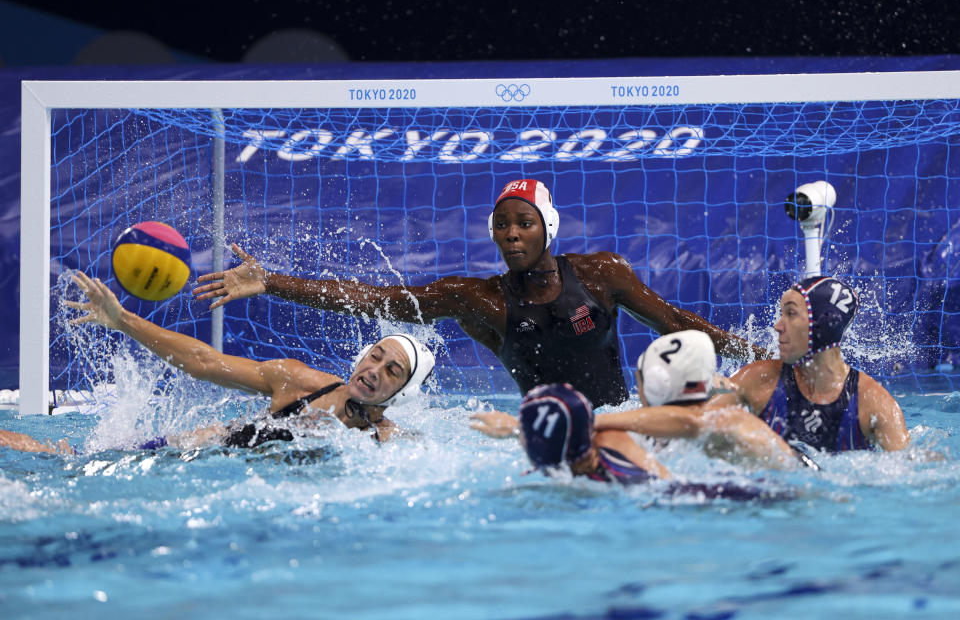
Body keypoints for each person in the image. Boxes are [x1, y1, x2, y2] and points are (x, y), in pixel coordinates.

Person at [194, 178, 766, 408]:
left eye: (524, 223)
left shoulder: (601, 275)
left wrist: (759, 357)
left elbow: (677, 324)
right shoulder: (476, 298)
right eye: (502, 224)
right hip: (543, 429)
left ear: (548, 227)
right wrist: (272, 282)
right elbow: (376, 300)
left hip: (623, 419)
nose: (512, 234)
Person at [0, 272, 435, 455]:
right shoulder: (300, 383)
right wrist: (123, 320)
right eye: (375, 356)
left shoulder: (387, 441)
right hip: (198, 454)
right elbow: (203, 362)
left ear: (400, 393)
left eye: (392, 371)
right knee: (65, 459)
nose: (375, 368)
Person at [470, 383, 789, 501]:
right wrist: (517, 429)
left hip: (715, 499)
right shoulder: (611, 438)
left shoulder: (625, 489)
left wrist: (520, 431)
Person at [709, 276, 909, 452]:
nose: (777, 326)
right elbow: (695, 427)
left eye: (791, 314)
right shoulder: (756, 379)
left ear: (824, 324)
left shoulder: (875, 405)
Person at [593, 330, 819, 471]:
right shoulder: (665, 431)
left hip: (806, 492)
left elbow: (692, 422)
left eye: (640, 379)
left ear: (655, 384)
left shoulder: (728, 419)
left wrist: (594, 421)